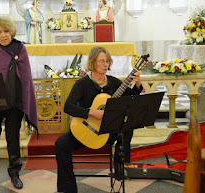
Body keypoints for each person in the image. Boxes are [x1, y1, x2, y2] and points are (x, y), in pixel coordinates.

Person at [55, 46, 143, 193]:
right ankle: (67, 188)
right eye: (101, 61)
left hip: (108, 132)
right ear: (92, 63)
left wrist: (138, 85)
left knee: (127, 127)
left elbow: (130, 99)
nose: (105, 64)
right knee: (60, 144)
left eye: (107, 61)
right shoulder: (82, 84)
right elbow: (68, 107)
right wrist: (91, 113)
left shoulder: (114, 83)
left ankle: (120, 166)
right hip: (87, 130)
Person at [0, 16, 38, 190]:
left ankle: (14, 173)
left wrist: (25, 99)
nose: (3, 35)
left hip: (14, 102)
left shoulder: (20, 48)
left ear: (12, 31)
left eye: (6, 31)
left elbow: (26, 78)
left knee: (13, 139)